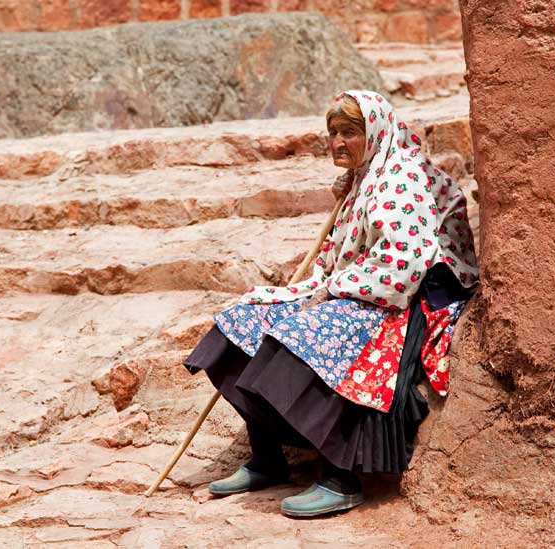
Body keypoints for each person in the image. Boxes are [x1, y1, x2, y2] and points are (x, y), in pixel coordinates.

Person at [183, 90, 479, 518]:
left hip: (397, 302)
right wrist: (326, 282)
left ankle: (340, 477)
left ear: (374, 133)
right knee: (242, 322)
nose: (338, 142)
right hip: (353, 288)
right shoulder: (365, 176)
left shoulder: (399, 180)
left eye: (350, 132)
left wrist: (335, 288)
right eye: (333, 132)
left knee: (304, 337)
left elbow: (402, 265)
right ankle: (268, 458)